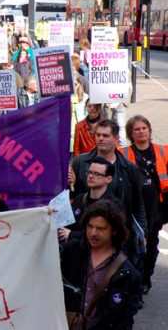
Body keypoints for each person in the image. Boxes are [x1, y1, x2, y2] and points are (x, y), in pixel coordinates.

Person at [70, 119, 147, 266]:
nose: (100, 139)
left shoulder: (129, 168)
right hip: (87, 234)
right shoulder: (80, 162)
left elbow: (138, 203)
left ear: (116, 139)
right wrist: (69, 183)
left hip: (117, 235)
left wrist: (142, 232)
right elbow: (72, 197)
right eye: (98, 135)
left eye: (105, 136)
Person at [60, 200, 141, 330]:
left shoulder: (126, 273)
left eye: (101, 229)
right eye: (90, 226)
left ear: (114, 231)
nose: (93, 233)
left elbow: (125, 320)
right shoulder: (71, 252)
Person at [122, 115, 168, 294]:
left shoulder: (163, 151)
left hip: (157, 208)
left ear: (149, 130)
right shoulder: (124, 153)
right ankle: (134, 281)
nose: (141, 132)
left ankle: (145, 280)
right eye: (136, 129)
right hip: (134, 208)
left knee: (151, 248)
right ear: (131, 134)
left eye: (144, 128)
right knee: (133, 246)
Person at [58, 157, 125, 243]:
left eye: (96, 174)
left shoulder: (114, 205)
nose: (90, 176)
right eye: (89, 172)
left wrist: (72, 235)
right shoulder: (79, 199)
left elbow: (111, 235)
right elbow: (66, 227)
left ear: (108, 179)